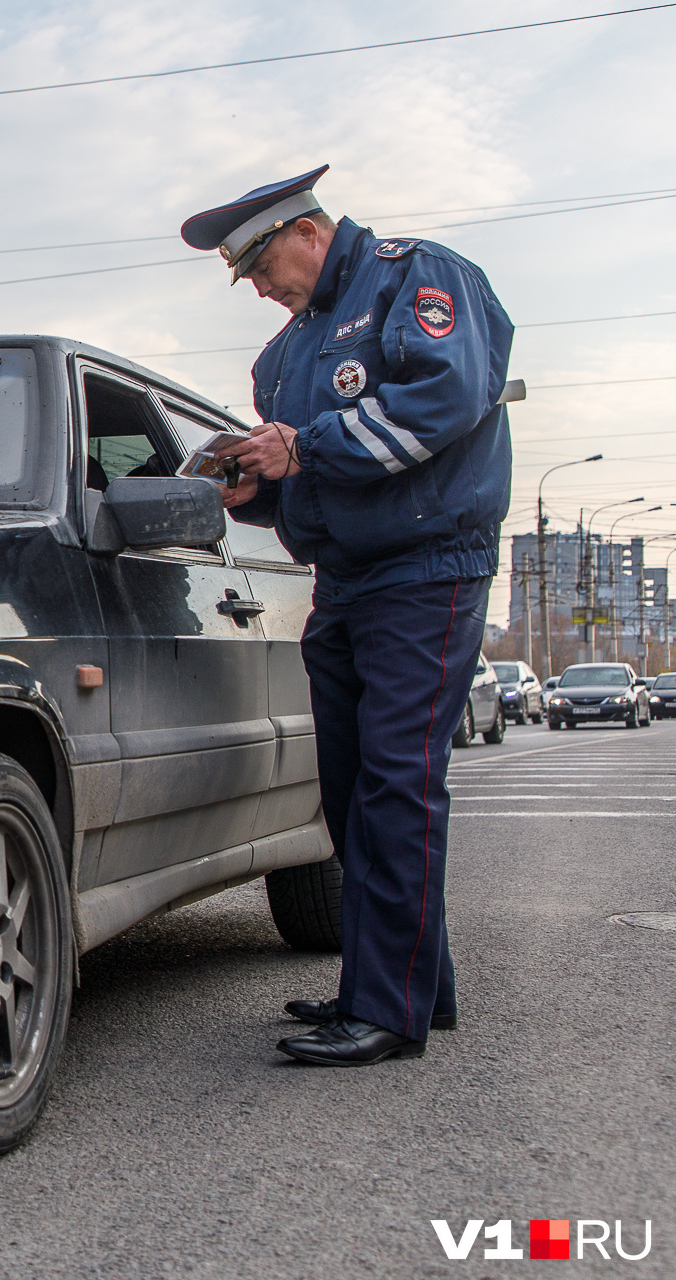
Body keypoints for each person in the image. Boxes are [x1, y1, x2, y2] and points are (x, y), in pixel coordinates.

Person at [180, 165, 514, 1066]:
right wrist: (252, 487)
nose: (257, 289)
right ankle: (405, 984)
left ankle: (387, 1011)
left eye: (258, 267)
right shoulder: (284, 356)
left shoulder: (417, 276)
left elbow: (444, 400)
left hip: (426, 567)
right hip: (345, 580)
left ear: (308, 232)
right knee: (355, 792)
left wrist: (306, 445)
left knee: (398, 783)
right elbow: (307, 481)